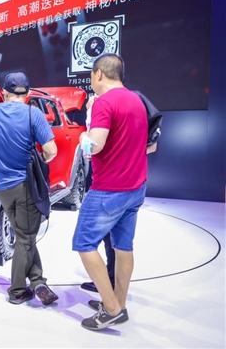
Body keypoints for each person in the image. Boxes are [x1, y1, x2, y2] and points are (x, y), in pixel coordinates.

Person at [72, 54, 148, 331]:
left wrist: (84, 136)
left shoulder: (104, 102)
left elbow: (95, 146)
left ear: (99, 74)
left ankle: (112, 309)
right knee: (123, 246)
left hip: (109, 190)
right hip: (135, 187)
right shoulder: (136, 100)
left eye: (91, 76)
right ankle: (118, 303)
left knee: (84, 243)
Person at [0, 72, 59, 306]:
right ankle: (18, 290)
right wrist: (40, 160)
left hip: (3, 188)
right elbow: (52, 151)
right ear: (27, 93)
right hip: (26, 186)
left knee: (23, 235)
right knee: (25, 238)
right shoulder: (33, 114)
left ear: (4, 93)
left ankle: (38, 281)